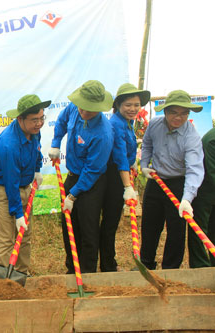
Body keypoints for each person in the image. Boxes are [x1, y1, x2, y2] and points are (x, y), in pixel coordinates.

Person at [48, 80, 113, 273]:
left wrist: (73, 195)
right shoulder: (75, 107)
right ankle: (72, 269)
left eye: (89, 110)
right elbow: (61, 121)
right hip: (73, 176)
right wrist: (55, 142)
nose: (83, 112)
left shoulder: (103, 133)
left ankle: (87, 272)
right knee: (69, 226)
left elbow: (92, 171)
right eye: (82, 107)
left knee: (88, 229)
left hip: (91, 184)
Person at [140, 90, 204, 270]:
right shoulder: (154, 125)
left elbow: (194, 170)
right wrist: (145, 164)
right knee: (149, 226)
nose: (179, 117)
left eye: (184, 113)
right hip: (156, 181)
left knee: (176, 231)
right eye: (174, 112)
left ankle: (171, 270)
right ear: (165, 111)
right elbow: (147, 144)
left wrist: (187, 199)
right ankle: (146, 265)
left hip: (179, 184)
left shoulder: (191, 138)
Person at [0, 94, 48, 275]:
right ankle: (5, 278)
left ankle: (21, 273)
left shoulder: (34, 132)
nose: (39, 123)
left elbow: (36, 151)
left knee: (25, 234)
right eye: (34, 120)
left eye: (41, 118)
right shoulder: (9, 145)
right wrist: (18, 212)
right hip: (4, 191)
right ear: (20, 119)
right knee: (7, 237)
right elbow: (10, 183)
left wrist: (37, 169)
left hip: (24, 187)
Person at [100, 84, 150, 272]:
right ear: (118, 104)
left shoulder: (127, 122)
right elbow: (119, 156)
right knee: (110, 222)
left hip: (121, 173)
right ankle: (108, 266)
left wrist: (132, 166)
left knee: (112, 222)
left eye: (136, 105)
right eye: (128, 105)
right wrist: (127, 186)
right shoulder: (116, 124)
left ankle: (108, 263)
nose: (133, 109)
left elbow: (127, 154)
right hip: (113, 176)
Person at [190, 127, 215, 267]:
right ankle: (200, 265)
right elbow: (212, 173)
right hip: (204, 192)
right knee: (199, 230)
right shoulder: (212, 140)